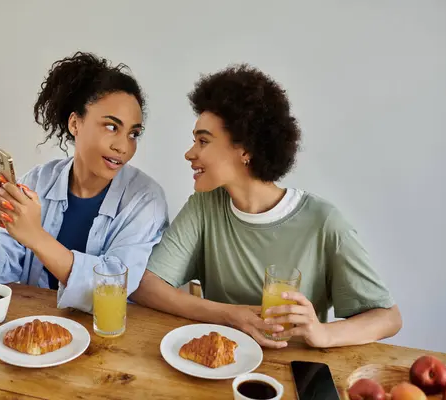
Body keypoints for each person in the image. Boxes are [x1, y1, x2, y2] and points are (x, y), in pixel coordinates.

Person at [130, 64, 402, 349]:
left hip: (295, 371)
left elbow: (388, 317)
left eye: (203, 141)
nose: (190, 153)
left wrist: (324, 333)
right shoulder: (205, 207)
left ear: (245, 149)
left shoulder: (323, 222)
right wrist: (230, 316)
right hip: (223, 365)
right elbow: (146, 285)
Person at [0, 52, 168, 313]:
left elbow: (113, 289)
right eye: (112, 127)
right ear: (75, 123)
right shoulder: (38, 180)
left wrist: (36, 236)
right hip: (38, 330)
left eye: (133, 133)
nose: (123, 146)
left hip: (107, 339)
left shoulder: (145, 199)